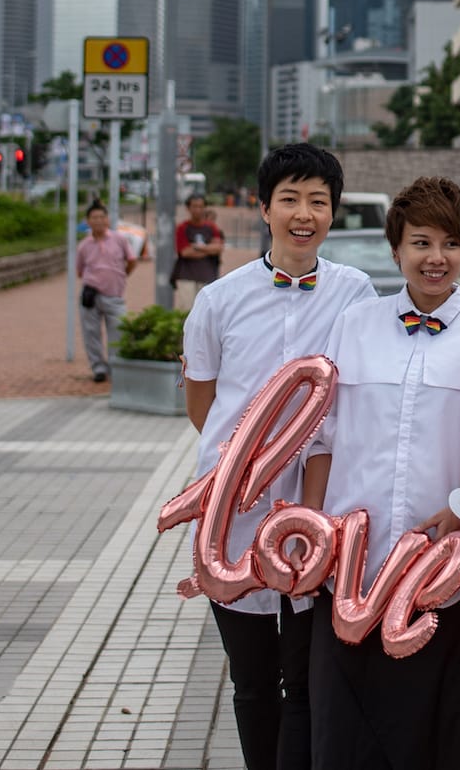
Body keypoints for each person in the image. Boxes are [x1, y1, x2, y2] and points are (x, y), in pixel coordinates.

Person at [181, 144, 377, 770]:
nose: (303, 213)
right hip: (231, 522)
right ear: (263, 209)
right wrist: (243, 468)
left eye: (318, 201)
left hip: (315, 513)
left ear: (332, 213)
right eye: (289, 199)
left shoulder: (356, 293)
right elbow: (203, 403)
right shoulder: (219, 300)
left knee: (306, 681)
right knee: (253, 680)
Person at [300, 177, 460, 769]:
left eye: (450, 244)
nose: (435, 258)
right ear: (396, 250)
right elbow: (323, 436)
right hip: (349, 564)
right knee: (341, 727)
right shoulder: (354, 324)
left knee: (431, 728)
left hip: (441, 570)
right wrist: (314, 533)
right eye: (420, 242)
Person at [76, 199, 136, 383]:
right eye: (94, 217)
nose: (99, 221)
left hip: (114, 296)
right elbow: (80, 270)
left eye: (102, 217)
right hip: (91, 295)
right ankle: (98, 368)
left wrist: (121, 276)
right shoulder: (84, 245)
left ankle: (116, 366)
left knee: (118, 332)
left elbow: (132, 260)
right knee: (91, 333)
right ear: (87, 221)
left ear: (107, 220)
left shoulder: (119, 239)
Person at [172, 192, 225, 311]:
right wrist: (208, 249)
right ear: (188, 208)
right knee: (186, 311)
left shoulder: (211, 228)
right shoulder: (183, 228)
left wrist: (197, 247)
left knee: (205, 311)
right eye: (194, 206)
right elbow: (185, 252)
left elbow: (218, 248)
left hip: (207, 275)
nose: (198, 210)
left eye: (201, 206)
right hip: (186, 276)